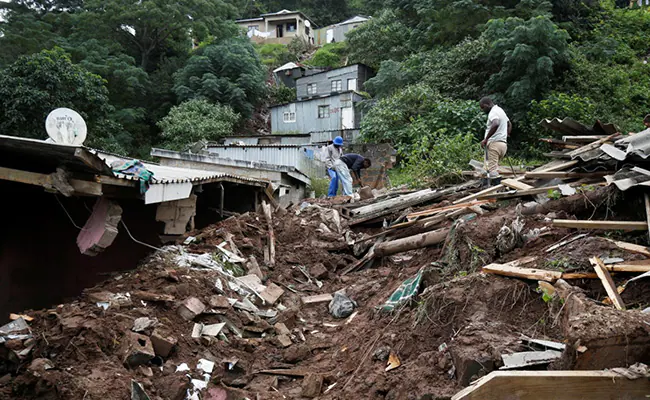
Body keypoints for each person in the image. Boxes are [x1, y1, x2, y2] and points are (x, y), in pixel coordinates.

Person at [479, 97, 512, 186]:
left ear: (487, 105)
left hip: (494, 144)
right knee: (488, 168)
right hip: (503, 145)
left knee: (492, 171)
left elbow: (496, 123)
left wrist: (486, 139)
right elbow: (509, 124)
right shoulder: (500, 110)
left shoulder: (493, 112)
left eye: (483, 108)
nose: (483, 110)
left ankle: (495, 191)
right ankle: (485, 186)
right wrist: (506, 134)